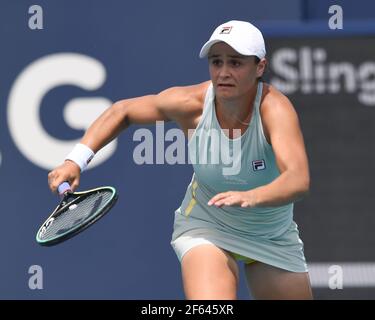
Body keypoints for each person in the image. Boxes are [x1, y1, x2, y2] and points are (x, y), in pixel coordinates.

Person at [48, 20, 313, 300]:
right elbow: (122, 111)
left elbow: (298, 179)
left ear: (259, 67)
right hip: (208, 226)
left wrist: (252, 196)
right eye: (216, 62)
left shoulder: (275, 110)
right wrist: (75, 160)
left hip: (271, 234)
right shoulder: (191, 103)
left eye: (235, 63)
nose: (223, 72)